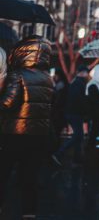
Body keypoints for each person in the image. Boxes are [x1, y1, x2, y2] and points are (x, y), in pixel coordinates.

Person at [0, 37, 55, 218]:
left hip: (15, 132)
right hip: (38, 134)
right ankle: (29, 211)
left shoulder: (17, 75)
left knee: (4, 172)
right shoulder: (48, 79)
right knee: (29, 176)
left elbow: (8, 103)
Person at [55, 64, 90, 163]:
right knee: (78, 135)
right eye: (87, 73)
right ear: (83, 73)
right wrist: (86, 110)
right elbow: (80, 100)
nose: (87, 75)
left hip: (73, 112)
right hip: (75, 113)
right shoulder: (80, 83)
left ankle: (77, 159)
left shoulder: (76, 82)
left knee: (79, 136)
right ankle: (59, 153)